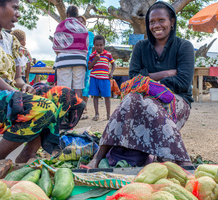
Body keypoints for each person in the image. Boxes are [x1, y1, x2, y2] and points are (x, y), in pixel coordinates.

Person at [87, 1, 194, 168]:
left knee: (141, 101)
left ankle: (182, 160)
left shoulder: (184, 46)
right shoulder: (140, 47)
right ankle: (98, 158)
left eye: (161, 20)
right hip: (140, 100)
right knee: (131, 99)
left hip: (176, 101)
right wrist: (166, 74)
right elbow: (133, 80)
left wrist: (146, 80)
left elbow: (183, 82)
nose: (156, 25)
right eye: (152, 22)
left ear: (172, 21)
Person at [0, 0, 85, 165]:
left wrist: (24, 86)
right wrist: (16, 93)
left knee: (63, 96)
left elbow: (17, 79)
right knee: (42, 106)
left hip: (8, 94)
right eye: (14, 8)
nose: (18, 13)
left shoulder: (11, 41)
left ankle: (27, 154)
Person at [53, 5, 89, 100]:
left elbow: (56, 47)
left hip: (64, 60)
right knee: (78, 88)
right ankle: (77, 112)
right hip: (80, 61)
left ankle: (65, 112)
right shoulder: (83, 27)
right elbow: (86, 46)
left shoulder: (60, 25)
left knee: (64, 89)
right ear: (77, 15)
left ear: (67, 14)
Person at [88, 35, 116, 121]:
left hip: (105, 78)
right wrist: (95, 60)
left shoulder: (108, 54)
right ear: (94, 45)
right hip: (94, 78)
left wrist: (111, 72)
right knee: (95, 96)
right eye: (97, 45)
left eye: (100, 45)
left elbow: (113, 64)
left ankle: (108, 115)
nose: (99, 47)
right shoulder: (92, 55)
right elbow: (89, 67)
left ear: (104, 45)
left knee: (107, 96)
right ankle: (96, 114)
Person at [77, 15, 94, 119]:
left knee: (85, 83)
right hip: (76, 62)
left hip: (86, 62)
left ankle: (84, 106)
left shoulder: (90, 34)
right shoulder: (74, 34)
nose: (80, 23)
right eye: (78, 21)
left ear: (84, 23)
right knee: (77, 84)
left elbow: (88, 47)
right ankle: (77, 105)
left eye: (81, 21)